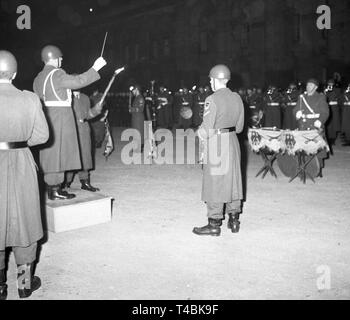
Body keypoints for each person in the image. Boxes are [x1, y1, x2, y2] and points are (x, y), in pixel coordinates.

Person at [0, 51, 49, 299]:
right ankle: (23, 284)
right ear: (15, 74)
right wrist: (19, 142)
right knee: (25, 224)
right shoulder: (29, 99)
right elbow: (41, 137)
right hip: (21, 163)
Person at [33, 45, 106, 200]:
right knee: (61, 152)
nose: (61, 61)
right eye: (60, 58)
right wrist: (95, 68)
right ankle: (55, 189)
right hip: (61, 117)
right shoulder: (57, 74)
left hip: (46, 116)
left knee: (52, 154)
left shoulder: (38, 77)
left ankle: (53, 187)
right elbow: (78, 81)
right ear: (55, 58)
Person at [193, 64, 244, 237]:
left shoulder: (211, 99)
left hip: (217, 142)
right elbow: (239, 127)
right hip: (233, 141)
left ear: (215, 80)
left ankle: (214, 224)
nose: (209, 82)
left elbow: (207, 130)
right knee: (233, 180)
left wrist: (199, 132)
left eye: (210, 79)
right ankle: (234, 220)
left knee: (215, 182)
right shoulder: (237, 97)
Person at [65, 90, 103, 192]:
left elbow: (88, 114)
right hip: (70, 130)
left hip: (84, 130)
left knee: (84, 156)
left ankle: (85, 182)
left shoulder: (85, 97)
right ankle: (66, 182)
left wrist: (96, 109)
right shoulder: (64, 95)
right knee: (70, 157)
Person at [293, 78, 329, 172]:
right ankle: (303, 167)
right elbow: (296, 108)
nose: (308, 86)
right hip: (303, 126)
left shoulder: (320, 97)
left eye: (311, 85)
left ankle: (318, 169)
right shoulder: (301, 97)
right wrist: (296, 113)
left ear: (316, 87)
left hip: (315, 125)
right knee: (302, 148)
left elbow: (325, 112)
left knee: (317, 149)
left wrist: (320, 121)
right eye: (308, 84)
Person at [324, 79, 342, 145]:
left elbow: (340, 98)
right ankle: (328, 138)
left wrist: (333, 91)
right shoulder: (325, 90)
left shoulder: (337, 90)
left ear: (333, 84)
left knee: (334, 123)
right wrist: (325, 92)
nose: (330, 85)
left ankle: (333, 139)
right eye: (329, 83)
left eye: (331, 83)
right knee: (328, 124)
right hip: (328, 107)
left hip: (334, 108)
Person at [129, 85, 145, 153]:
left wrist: (132, 109)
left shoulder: (140, 98)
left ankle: (140, 147)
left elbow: (140, 109)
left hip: (138, 118)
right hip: (135, 117)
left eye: (133, 90)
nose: (132, 92)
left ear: (137, 90)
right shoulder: (136, 98)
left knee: (139, 132)